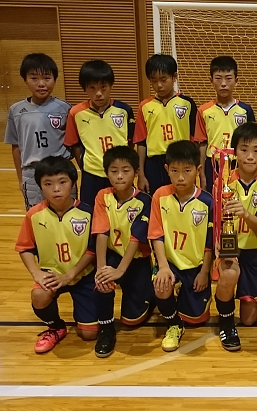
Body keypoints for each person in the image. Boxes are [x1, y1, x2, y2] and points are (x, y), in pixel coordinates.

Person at [15, 156, 97, 353]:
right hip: (51, 274)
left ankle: (85, 315)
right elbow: (24, 247)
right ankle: (56, 327)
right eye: (48, 184)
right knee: (39, 295)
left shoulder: (88, 213)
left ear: (73, 183)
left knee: (89, 334)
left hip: (83, 276)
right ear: (40, 187)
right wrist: (37, 273)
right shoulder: (34, 215)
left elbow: (93, 250)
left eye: (62, 182)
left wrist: (69, 275)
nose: (56, 189)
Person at [214, 123, 257, 351]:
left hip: (254, 250)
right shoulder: (222, 181)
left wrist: (244, 213)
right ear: (235, 152)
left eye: (256, 150)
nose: (250, 156)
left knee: (249, 319)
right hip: (229, 248)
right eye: (244, 150)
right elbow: (214, 221)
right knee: (228, 274)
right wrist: (216, 244)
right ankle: (226, 323)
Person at [148, 140, 213, 352]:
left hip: (196, 266)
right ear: (167, 169)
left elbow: (210, 243)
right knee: (161, 285)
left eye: (187, 170)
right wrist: (163, 267)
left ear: (198, 170)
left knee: (197, 319)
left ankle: (191, 296)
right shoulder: (160, 196)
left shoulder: (207, 201)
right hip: (170, 264)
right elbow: (156, 235)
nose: (181, 177)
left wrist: (205, 272)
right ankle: (173, 324)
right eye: (175, 171)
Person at [92, 146, 154, 358]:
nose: (119, 176)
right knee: (102, 284)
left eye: (125, 170)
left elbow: (136, 238)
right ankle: (106, 329)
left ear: (136, 172)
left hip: (136, 260)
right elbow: (101, 232)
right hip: (111, 255)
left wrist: (119, 271)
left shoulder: (145, 200)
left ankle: (149, 294)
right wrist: (101, 269)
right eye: (114, 171)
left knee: (132, 320)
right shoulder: (102, 196)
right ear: (106, 173)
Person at [5, 53, 72, 210]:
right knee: (37, 215)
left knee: (66, 213)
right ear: (25, 80)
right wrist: (20, 178)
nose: (41, 84)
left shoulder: (65, 108)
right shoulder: (16, 110)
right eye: (34, 78)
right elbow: (16, 146)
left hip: (60, 171)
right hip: (31, 172)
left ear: (55, 79)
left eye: (47, 78)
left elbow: (73, 142)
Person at [65, 60, 134, 208]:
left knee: (122, 212)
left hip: (119, 174)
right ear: (84, 88)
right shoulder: (76, 113)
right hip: (92, 176)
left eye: (103, 87)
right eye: (92, 88)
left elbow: (130, 142)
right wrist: (84, 165)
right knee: (91, 213)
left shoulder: (124, 110)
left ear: (111, 85)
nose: (98, 93)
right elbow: (74, 144)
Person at [135, 54, 197, 194]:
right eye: (154, 80)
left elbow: (195, 139)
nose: (159, 85)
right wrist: (141, 174)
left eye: (163, 80)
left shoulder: (187, 103)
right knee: (156, 199)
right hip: (153, 163)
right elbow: (141, 142)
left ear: (174, 77)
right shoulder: (144, 106)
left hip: (181, 161)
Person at [194, 56, 255, 194]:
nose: (223, 84)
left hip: (238, 162)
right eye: (218, 78)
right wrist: (202, 175)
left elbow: (252, 141)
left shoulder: (246, 110)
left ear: (236, 81)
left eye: (228, 78)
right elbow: (202, 144)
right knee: (214, 199)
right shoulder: (203, 110)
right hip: (212, 164)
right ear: (211, 80)